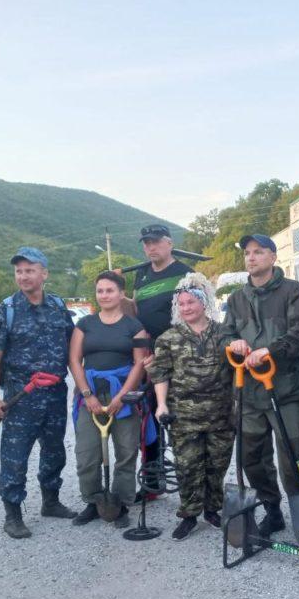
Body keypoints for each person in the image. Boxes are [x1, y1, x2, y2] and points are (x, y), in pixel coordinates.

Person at [222, 233, 299, 536]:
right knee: (252, 458)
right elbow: (225, 336)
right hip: (250, 393)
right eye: (247, 253)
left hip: (285, 389)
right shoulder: (236, 298)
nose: (251, 257)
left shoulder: (292, 291)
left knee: (294, 455)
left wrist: (269, 351)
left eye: (258, 251)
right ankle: (272, 510)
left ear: (273, 257)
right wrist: (233, 343)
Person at [0, 246, 77, 538]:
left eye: (30, 270)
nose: (23, 276)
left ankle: (51, 501)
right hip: (21, 395)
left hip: (55, 392)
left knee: (54, 450)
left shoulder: (58, 306)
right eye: (19, 271)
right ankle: (12, 514)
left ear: (44, 274)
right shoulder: (5, 310)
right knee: (15, 454)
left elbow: (72, 347)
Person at [147, 273, 235, 541]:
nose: (186, 308)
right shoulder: (168, 338)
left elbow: (237, 368)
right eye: (181, 304)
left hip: (220, 414)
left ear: (203, 302)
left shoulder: (224, 333)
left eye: (191, 303)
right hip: (183, 415)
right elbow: (160, 374)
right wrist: (161, 405)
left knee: (217, 464)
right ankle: (189, 514)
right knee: (187, 466)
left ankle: (212, 509)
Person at [67, 270, 149, 528]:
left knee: (126, 451)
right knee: (86, 453)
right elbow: (74, 360)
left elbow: (139, 364)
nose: (104, 295)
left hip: (123, 394)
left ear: (121, 293)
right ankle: (94, 501)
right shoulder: (85, 325)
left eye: (110, 290)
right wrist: (87, 394)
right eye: (100, 290)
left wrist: (122, 397)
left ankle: (121, 504)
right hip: (90, 393)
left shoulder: (135, 327)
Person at [131, 224, 194, 492]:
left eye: (156, 241)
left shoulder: (185, 273)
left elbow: (194, 315)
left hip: (178, 355)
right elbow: (135, 310)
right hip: (148, 355)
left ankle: (191, 485)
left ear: (169, 243)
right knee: (149, 419)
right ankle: (153, 483)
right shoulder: (141, 274)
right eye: (146, 243)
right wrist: (113, 290)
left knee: (179, 418)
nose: (150, 247)